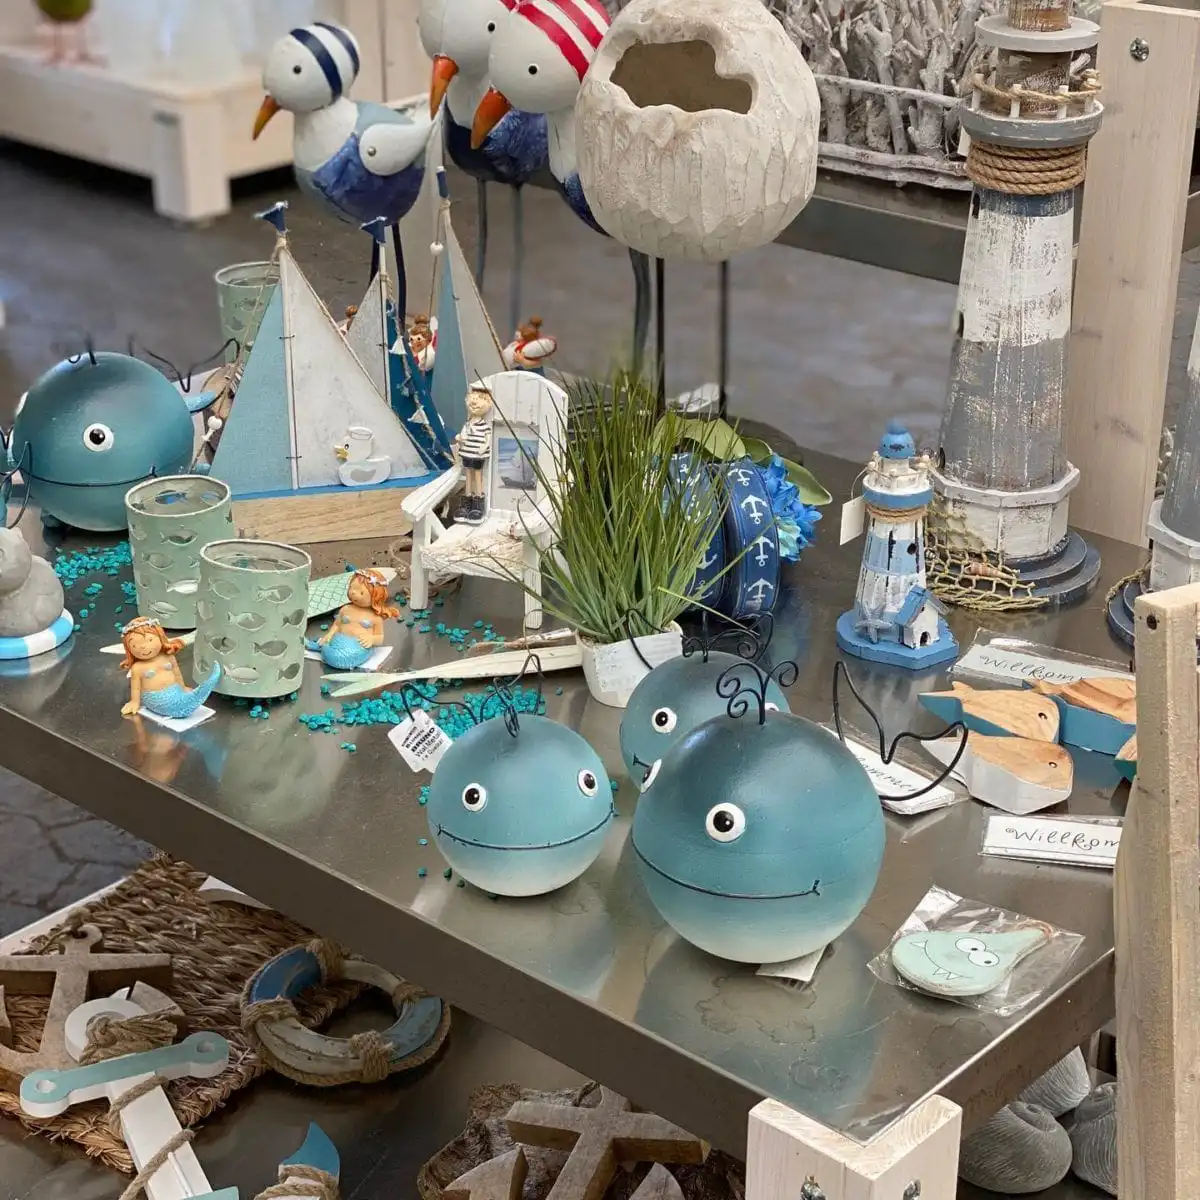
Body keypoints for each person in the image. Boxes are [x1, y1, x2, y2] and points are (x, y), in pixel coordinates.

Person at [120, 617, 221, 719]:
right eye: (134, 645)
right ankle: (183, 703)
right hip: (154, 698)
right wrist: (134, 702)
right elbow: (136, 688)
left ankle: (190, 698)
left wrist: (182, 687)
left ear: (161, 638)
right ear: (128, 649)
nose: (144, 647)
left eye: (150, 640)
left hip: (175, 690)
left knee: (184, 701)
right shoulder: (137, 668)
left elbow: (177, 674)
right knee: (179, 704)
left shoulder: (168, 657)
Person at [306, 569, 400, 669]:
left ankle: (324, 649)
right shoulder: (345, 609)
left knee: (342, 656)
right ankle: (323, 647)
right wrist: (329, 635)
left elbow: (380, 637)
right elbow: (337, 625)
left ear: (376, 596)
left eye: (361, 592)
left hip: (358, 646)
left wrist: (372, 639)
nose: (353, 593)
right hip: (339, 641)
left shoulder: (375, 617)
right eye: (351, 588)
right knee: (330, 651)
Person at [452, 382, 493, 524]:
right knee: (468, 476)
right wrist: (459, 438)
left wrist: (484, 447)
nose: (474, 402)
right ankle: (467, 501)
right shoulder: (468, 423)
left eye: (479, 399)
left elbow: (488, 438)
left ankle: (478, 504)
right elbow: (463, 435)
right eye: (472, 399)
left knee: (478, 476)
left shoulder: (483, 425)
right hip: (467, 452)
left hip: (477, 454)